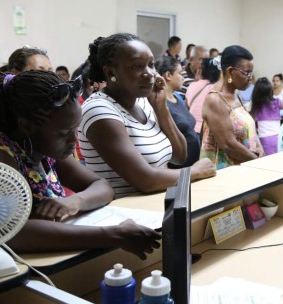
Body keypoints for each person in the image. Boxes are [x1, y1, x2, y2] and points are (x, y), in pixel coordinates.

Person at [0, 71, 160, 258]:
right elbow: (11, 232)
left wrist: (74, 202)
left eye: (75, 129)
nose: (74, 140)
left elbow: (102, 186)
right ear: (27, 126)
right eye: (64, 133)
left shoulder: (44, 148)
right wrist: (112, 234)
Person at [79, 33, 215, 198]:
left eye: (151, 65)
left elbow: (179, 157)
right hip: (122, 215)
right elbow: (145, 180)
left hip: (153, 209)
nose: (149, 73)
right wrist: (195, 171)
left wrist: (161, 108)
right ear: (110, 72)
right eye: (137, 66)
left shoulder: (143, 102)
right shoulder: (99, 109)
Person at [200, 45, 264, 169]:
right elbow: (228, 144)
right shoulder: (215, 100)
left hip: (243, 165)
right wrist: (257, 160)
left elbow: (250, 129)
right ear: (230, 72)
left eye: (251, 73)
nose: (250, 78)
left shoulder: (235, 94)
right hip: (224, 171)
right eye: (246, 73)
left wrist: (259, 149)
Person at [155, 55, 201, 167]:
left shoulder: (178, 97)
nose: (183, 78)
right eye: (180, 73)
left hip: (192, 164)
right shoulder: (159, 103)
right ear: (168, 75)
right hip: (176, 168)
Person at [186, 57, 222, 133]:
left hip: (191, 130)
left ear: (201, 71)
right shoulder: (216, 88)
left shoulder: (192, 85)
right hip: (205, 132)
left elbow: (187, 107)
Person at [250, 77, 281, 155]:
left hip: (265, 140)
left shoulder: (256, 108)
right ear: (270, 91)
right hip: (279, 137)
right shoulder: (277, 102)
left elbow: (251, 125)